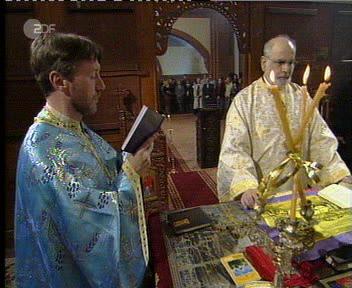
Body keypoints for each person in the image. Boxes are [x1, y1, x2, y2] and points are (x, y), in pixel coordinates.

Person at [15, 32, 156, 287]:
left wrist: (132, 157)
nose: (102, 85)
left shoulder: (74, 128)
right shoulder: (43, 149)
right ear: (60, 81)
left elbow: (103, 171)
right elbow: (88, 226)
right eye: (93, 76)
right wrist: (131, 174)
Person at [217, 35, 351, 209]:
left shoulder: (301, 97)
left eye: (291, 62)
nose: (286, 69)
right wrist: (246, 187)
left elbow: (321, 141)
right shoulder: (245, 101)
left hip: (300, 192)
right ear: (264, 62)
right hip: (262, 195)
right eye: (280, 62)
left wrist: (338, 174)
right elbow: (235, 150)